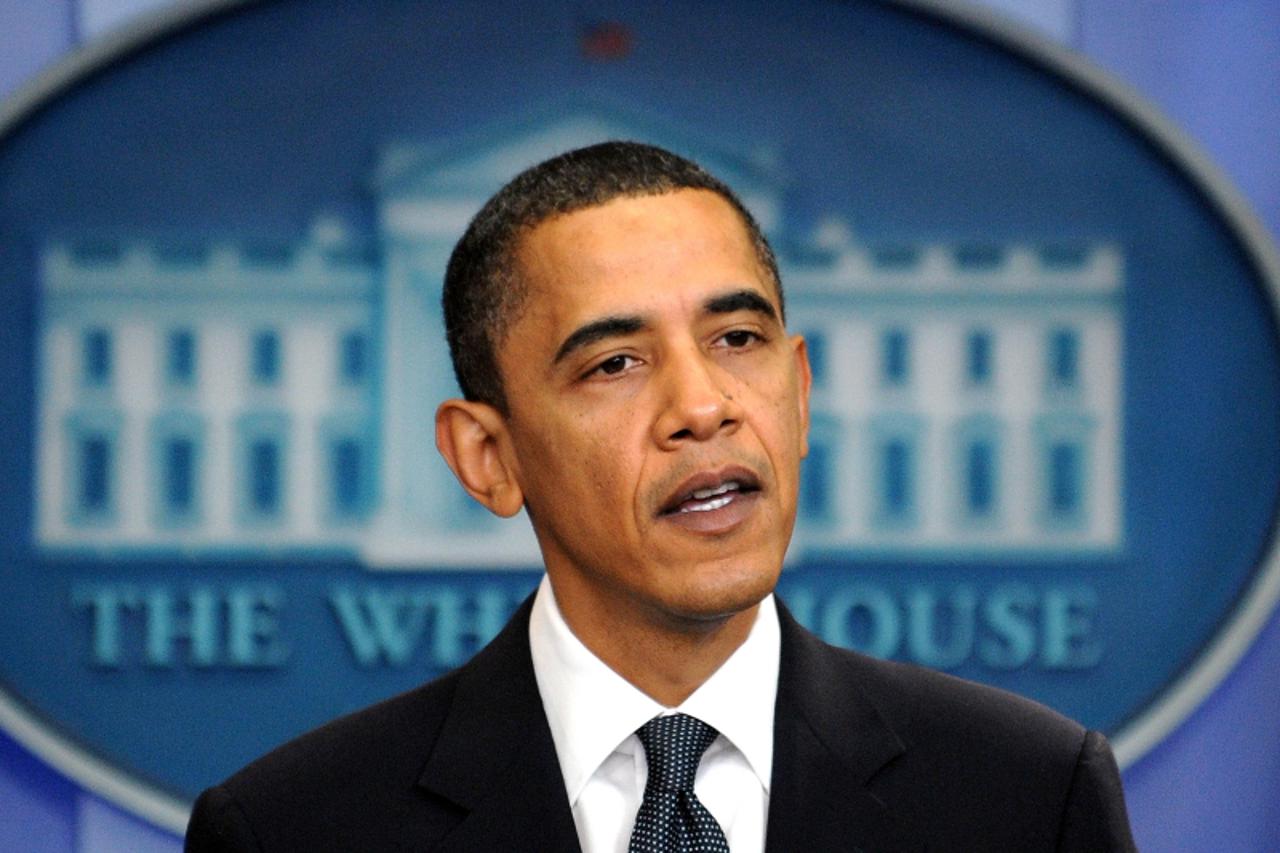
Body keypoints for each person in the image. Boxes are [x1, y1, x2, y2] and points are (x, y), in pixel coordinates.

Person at [185, 141, 1137, 852]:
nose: (702, 406)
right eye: (616, 363)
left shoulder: (1028, 796)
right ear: (488, 456)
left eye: (737, 340)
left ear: (800, 398)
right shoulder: (291, 831)